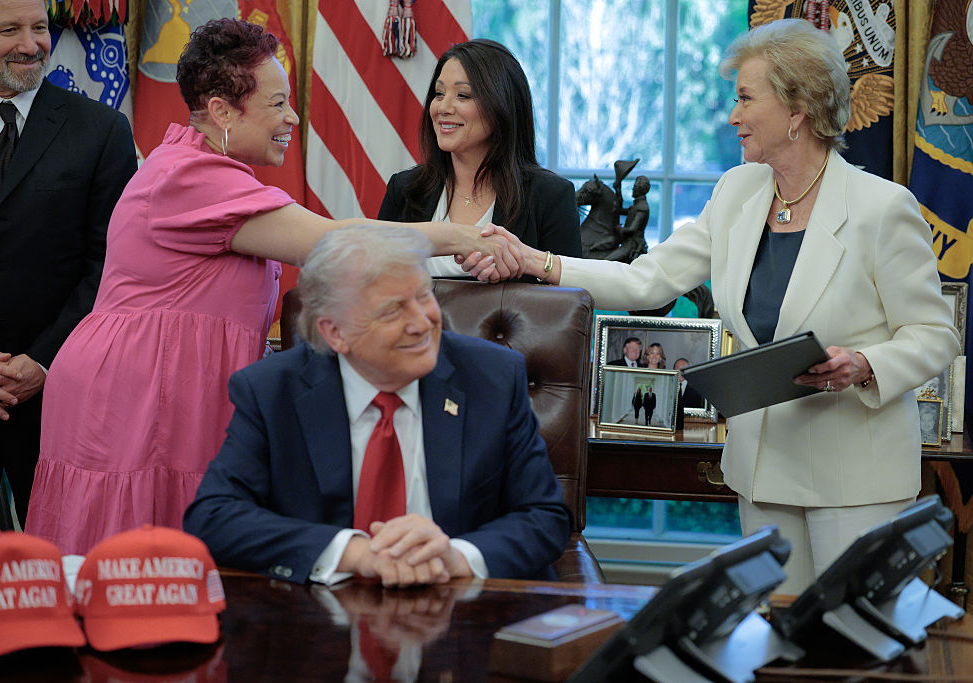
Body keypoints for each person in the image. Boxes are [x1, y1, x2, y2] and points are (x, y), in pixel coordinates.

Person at [473, 19, 960, 593]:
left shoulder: (882, 207)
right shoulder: (736, 192)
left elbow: (935, 335)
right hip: (763, 471)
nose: (733, 115)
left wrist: (865, 364)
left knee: (851, 636)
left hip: (857, 476)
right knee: (775, 635)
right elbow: (646, 281)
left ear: (798, 109)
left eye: (746, 98)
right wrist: (539, 261)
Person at [24, 19, 519, 555]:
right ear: (222, 112)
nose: (293, 117)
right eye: (278, 103)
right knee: (134, 568)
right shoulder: (190, 176)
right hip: (141, 391)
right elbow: (335, 242)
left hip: (169, 382)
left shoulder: (200, 166)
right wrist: (460, 235)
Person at [184, 225, 571, 587]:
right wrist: (354, 553)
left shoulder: (492, 378)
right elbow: (214, 516)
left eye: (424, 296)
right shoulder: (273, 391)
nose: (421, 323)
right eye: (392, 311)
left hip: (464, 609)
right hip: (321, 615)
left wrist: (456, 557)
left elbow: (544, 515)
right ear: (335, 332)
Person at [0, 0, 137, 533]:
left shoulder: (102, 130)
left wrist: (42, 362)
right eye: (10, 30)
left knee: (59, 566)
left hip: (59, 399)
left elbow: (112, 266)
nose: (31, 44)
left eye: (39, 28)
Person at [377, 39, 581, 278]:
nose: (443, 107)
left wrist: (515, 273)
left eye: (463, 95)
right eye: (439, 94)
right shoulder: (404, 188)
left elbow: (570, 295)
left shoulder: (550, 196)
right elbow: (372, 281)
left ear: (502, 105)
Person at [674, 358, 705, 431]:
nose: (679, 372)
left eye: (682, 369)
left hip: (694, 426)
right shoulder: (668, 386)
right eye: (677, 368)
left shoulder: (697, 390)